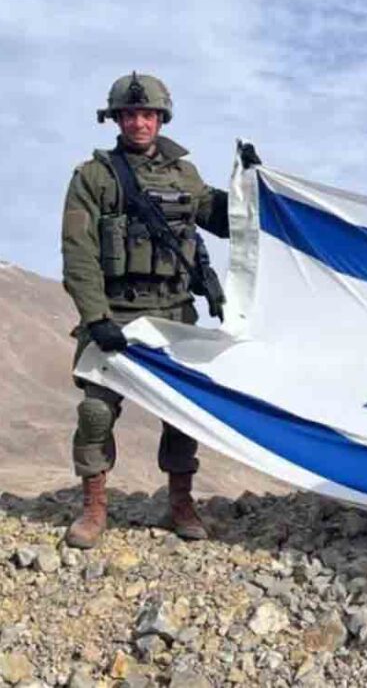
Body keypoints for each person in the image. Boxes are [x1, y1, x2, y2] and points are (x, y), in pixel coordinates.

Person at [61, 72, 229, 548]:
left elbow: (220, 220)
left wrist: (252, 192)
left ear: (161, 118)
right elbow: (78, 252)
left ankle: (180, 501)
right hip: (115, 311)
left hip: (174, 313)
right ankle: (94, 507)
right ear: (116, 119)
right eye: (130, 114)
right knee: (96, 411)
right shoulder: (93, 178)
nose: (139, 122)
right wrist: (96, 317)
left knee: (180, 413)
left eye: (148, 114)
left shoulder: (184, 175)